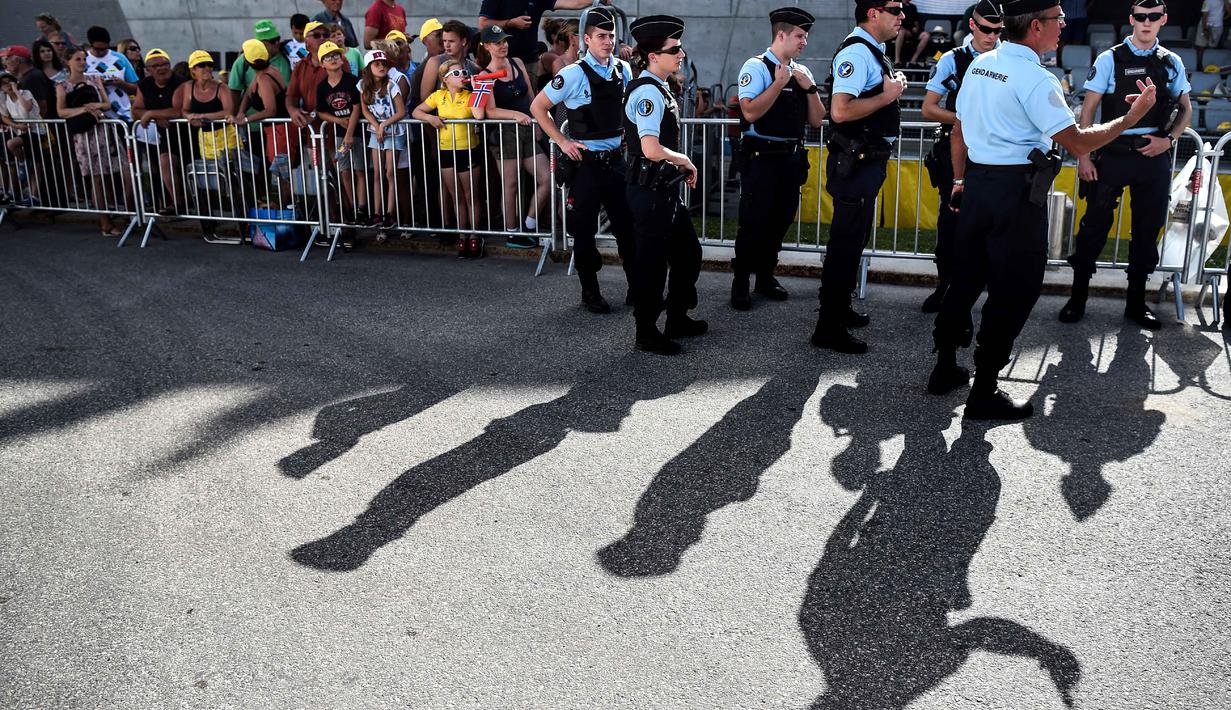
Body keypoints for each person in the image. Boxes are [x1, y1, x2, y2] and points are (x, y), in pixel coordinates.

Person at [928, 0, 1160, 420]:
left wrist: (961, 181)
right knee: (1013, 290)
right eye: (1058, 20)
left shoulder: (980, 64)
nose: (1063, 26)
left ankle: (944, 366)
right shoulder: (1036, 79)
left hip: (979, 185)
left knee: (964, 281)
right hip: (1015, 195)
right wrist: (1130, 117)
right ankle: (983, 390)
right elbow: (1078, 142)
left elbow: (959, 130)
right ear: (1036, 26)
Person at [1058, 0, 1191, 330]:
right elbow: (1088, 111)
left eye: (1154, 17)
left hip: (1153, 155)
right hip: (1111, 152)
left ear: (1163, 20)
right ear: (1132, 19)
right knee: (1093, 228)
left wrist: (1168, 141)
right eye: (1141, 17)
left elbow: (1185, 110)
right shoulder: (1110, 58)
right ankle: (1077, 298)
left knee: (1147, 232)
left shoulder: (1170, 62)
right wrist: (1084, 156)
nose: (1147, 22)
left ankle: (1136, 304)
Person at [811, 0, 906, 355]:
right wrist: (888, 95)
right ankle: (828, 327)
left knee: (853, 242)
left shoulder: (872, 51)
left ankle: (839, 310)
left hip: (864, 163)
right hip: (855, 164)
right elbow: (841, 109)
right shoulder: (858, 52)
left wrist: (888, 92)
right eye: (895, 9)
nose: (901, 17)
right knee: (845, 245)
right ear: (873, 12)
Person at [530, 7, 637, 313]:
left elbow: (624, 108)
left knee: (627, 228)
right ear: (586, 39)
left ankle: (636, 287)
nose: (608, 41)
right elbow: (539, 108)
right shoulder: (573, 73)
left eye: (612, 36)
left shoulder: (623, 69)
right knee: (584, 230)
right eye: (601, 36)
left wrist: (627, 133)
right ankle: (590, 291)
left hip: (616, 161)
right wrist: (562, 141)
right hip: (587, 163)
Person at [730, 7, 826, 311]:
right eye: (799, 36)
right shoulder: (756, 66)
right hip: (761, 158)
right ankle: (741, 281)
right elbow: (750, 111)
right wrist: (779, 83)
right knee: (753, 222)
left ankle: (765, 276)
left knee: (780, 221)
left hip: (790, 159)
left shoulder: (803, 72)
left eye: (806, 37)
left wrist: (808, 88)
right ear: (781, 34)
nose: (804, 42)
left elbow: (816, 120)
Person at [622, 15, 704, 356]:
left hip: (662, 190)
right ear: (653, 55)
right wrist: (683, 160)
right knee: (652, 263)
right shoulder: (647, 93)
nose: (681, 54)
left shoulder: (658, 87)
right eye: (674, 49)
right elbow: (650, 148)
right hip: (649, 192)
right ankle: (646, 331)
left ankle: (676, 317)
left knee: (688, 254)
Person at [920, 0, 1003, 313]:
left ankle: (982, 291)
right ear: (972, 26)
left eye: (997, 30)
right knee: (951, 223)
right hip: (953, 150)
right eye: (985, 29)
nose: (991, 36)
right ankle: (945, 286)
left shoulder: (1006, 58)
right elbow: (929, 107)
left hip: (993, 153)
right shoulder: (953, 59)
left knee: (991, 223)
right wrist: (963, 119)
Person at [472, 24, 551, 248]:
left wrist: (537, 122)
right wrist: (515, 114)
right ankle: (512, 232)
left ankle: (528, 224)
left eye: (504, 41)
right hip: (505, 133)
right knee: (511, 184)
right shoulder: (484, 75)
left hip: (527, 127)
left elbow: (532, 95)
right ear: (486, 46)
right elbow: (486, 112)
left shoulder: (516, 63)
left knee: (547, 178)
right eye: (497, 42)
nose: (503, 45)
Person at [57, 45, 132, 236]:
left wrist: (96, 105)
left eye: (84, 59)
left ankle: (130, 215)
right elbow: (61, 111)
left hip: (105, 131)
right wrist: (85, 109)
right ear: (68, 62)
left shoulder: (94, 78)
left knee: (124, 172)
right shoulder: (62, 85)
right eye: (78, 59)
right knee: (97, 179)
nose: (82, 63)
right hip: (84, 136)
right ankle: (105, 222)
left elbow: (106, 104)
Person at [413, 59, 484, 257]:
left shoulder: (470, 95)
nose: (462, 75)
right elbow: (416, 111)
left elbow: (478, 115)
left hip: (467, 149)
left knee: (471, 196)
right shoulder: (438, 96)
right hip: (446, 151)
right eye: (456, 74)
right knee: (456, 197)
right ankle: (462, 236)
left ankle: (475, 237)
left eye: (463, 72)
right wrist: (430, 118)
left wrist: (478, 89)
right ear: (445, 79)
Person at [478, 0, 606, 84]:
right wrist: (510, 23)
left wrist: (596, 0)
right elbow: (483, 25)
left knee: (529, 104)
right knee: (500, 102)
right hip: (498, 61)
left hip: (528, 60)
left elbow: (574, 2)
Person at [316, 40, 369, 224]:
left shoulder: (352, 81)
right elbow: (321, 112)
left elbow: (356, 108)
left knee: (360, 169)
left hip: (357, 132)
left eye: (336, 55)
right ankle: (352, 207)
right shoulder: (322, 87)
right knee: (344, 170)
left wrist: (350, 134)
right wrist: (338, 120)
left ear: (342, 58)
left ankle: (362, 208)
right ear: (322, 63)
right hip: (339, 133)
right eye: (328, 57)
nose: (333, 59)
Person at [133, 48, 186, 215]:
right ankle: (178, 204)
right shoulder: (145, 85)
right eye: (156, 65)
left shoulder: (180, 82)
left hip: (188, 134)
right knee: (164, 161)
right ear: (148, 69)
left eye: (165, 64)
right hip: (167, 136)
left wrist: (151, 114)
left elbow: (178, 111)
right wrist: (157, 118)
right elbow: (135, 111)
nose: (162, 68)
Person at [359, 49, 406, 232]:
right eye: (377, 64)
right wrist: (376, 126)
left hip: (393, 131)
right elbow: (365, 110)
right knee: (377, 173)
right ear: (368, 68)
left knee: (389, 173)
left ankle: (389, 213)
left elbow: (401, 112)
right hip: (376, 132)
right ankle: (377, 213)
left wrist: (384, 125)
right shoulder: (363, 86)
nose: (381, 67)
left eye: (384, 64)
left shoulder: (392, 85)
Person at [0, 70, 44, 206]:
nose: (7, 85)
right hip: (22, 131)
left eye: (9, 82)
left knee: (36, 162)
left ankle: (34, 196)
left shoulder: (25, 93)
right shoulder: (4, 98)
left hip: (37, 131)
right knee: (14, 147)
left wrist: (16, 91)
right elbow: (4, 117)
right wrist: (16, 125)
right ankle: (22, 162)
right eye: (3, 84)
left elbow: (28, 107)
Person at [418, 20, 482, 103]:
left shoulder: (474, 68)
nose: (447, 45)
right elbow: (425, 97)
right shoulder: (435, 62)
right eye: (444, 41)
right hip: (440, 115)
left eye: (451, 41)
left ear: (463, 42)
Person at [83, 26, 139, 121]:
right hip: (95, 116)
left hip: (123, 115)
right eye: (97, 49)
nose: (101, 52)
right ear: (90, 44)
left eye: (104, 49)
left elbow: (137, 88)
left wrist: (121, 83)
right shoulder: (83, 59)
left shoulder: (120, 58)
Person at [227, 20, 293, 99]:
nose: (277, 43)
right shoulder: (243, 60)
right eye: (272, 41)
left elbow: (289, 92)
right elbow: (234, 90)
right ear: (260, 43)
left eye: (278, 39)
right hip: (250, 110)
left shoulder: (285, 58)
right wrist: (237, 111)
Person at [287, 21, 332, 128]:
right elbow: (291, 95)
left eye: (326, 35)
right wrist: (293, 110)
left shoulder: (339, 61)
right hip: (311, 129)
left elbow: (342, 94)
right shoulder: (300, 66)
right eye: (316, 35)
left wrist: (314, 114)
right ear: (306, 42)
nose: (322, 38)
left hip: (337, 129)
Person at [895, 0, 933, 68]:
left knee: (926, 36)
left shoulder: (913, 7)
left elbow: (916, 21)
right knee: (901, 31)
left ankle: (913, 61)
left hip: (912, 31)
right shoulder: (897, 5)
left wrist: (916, 27)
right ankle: (897, 60)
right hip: (902, 30)